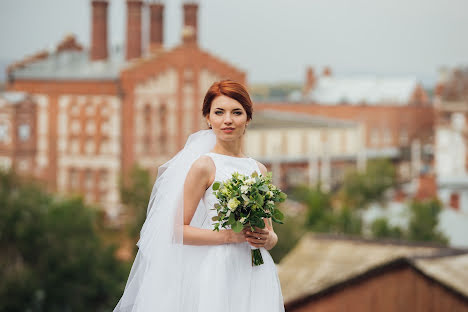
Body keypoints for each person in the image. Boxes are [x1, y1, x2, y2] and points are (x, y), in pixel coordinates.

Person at [113, 80, 285, 312]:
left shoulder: (259, 170)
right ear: (208, 118)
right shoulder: (204, 166)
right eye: (219, 112)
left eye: (237, 112)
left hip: (258, 268)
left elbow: (271, 233)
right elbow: (177, 230)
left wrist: (267, 239)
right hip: (220, 269)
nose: (228, 120)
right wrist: (227, 237)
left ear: (247, 119)